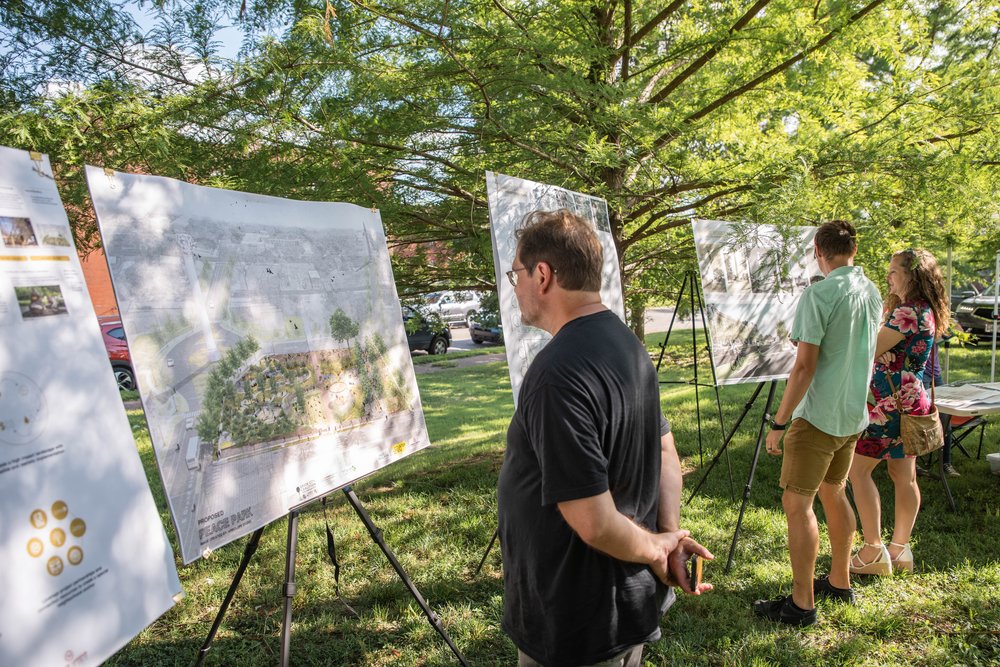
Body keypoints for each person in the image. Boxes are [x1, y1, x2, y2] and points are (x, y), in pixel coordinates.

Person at [497, 209, 712, 667]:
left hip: (578, 619)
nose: (513, 285)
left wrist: (660, 545)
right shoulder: (625, 342)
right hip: (616, 603)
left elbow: (593, 521)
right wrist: (667, 535)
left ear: (542, 274)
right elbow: (665, 448)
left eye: (515, 273)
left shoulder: (557, 374)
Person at [755, 220, 883, 627]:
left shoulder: (819, 293)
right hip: (851, 414)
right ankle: (840, 582)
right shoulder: (871, 290)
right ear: (854, 251)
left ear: (817, 250)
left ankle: (802, 604)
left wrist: (778, 422)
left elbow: (804, 368)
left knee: (797, 503)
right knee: (834, 491)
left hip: (818, 416)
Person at [849, 249, 951, 575]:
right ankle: (900, 549)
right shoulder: (923, 310)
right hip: (909, 403)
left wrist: (871, 350)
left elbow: (864, 348)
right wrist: (881, 353)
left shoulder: (907, 312)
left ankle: (873, 550)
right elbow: (882, 350)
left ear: (913, 275)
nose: (889, 276)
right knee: (902, 477)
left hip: (891, 408)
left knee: (858, 472)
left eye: (895, 271)